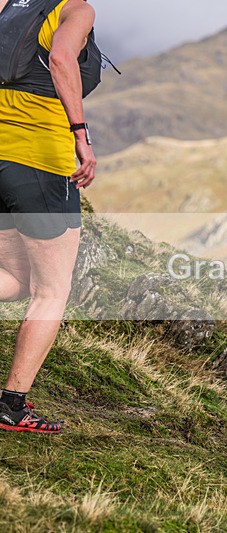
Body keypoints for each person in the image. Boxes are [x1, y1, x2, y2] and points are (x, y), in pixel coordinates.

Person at [0, 0, 98, 433]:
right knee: (51, 291)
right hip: (40, 161)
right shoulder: (75, 9)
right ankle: (12, 405)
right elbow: (60, 58)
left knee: (14, 279)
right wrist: (81, 134)